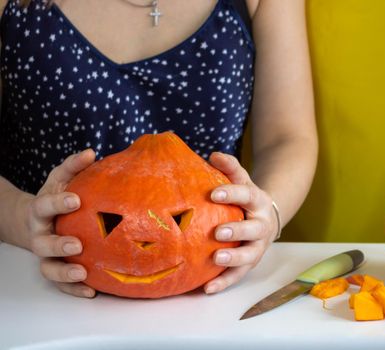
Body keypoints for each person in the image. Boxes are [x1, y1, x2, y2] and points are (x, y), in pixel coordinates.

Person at [0, 0, 317, 297]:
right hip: (29, 277)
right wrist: (22, 218)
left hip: (212, 290)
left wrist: (266, 217)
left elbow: (287, 138)